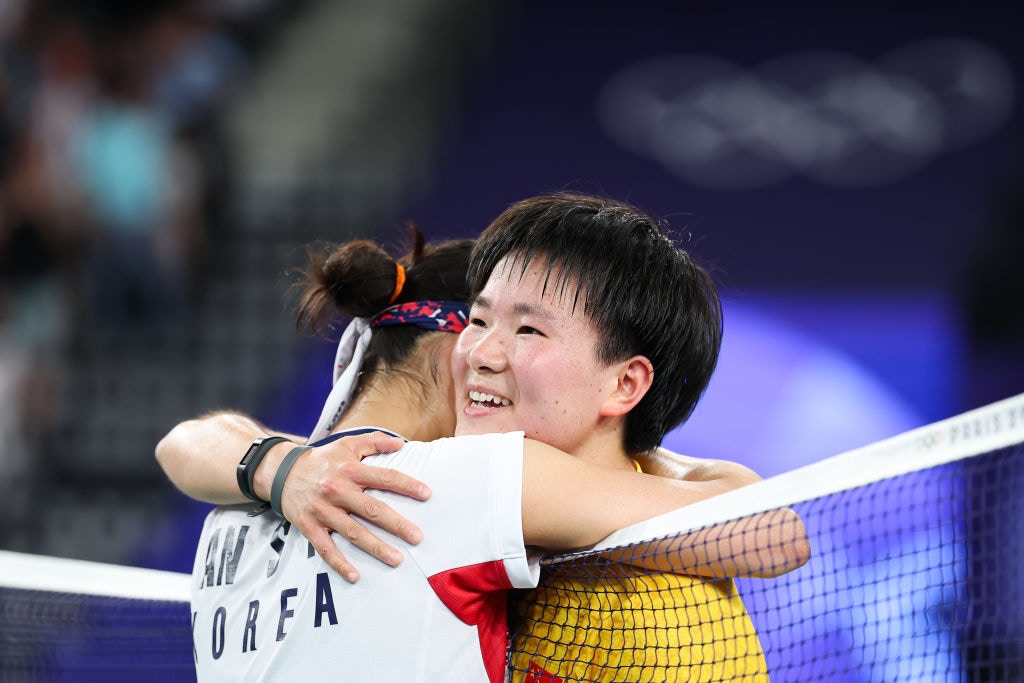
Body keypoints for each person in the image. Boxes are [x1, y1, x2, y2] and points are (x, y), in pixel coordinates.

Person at [158, 205, 808, 681]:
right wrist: (632, 435)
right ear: (446, 343)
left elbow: (182, 443)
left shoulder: (237, 514)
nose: (485, 350)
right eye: (477, 318)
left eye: (527, 329)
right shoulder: (467, 482)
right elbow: (774, 530)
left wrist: (272, 464)